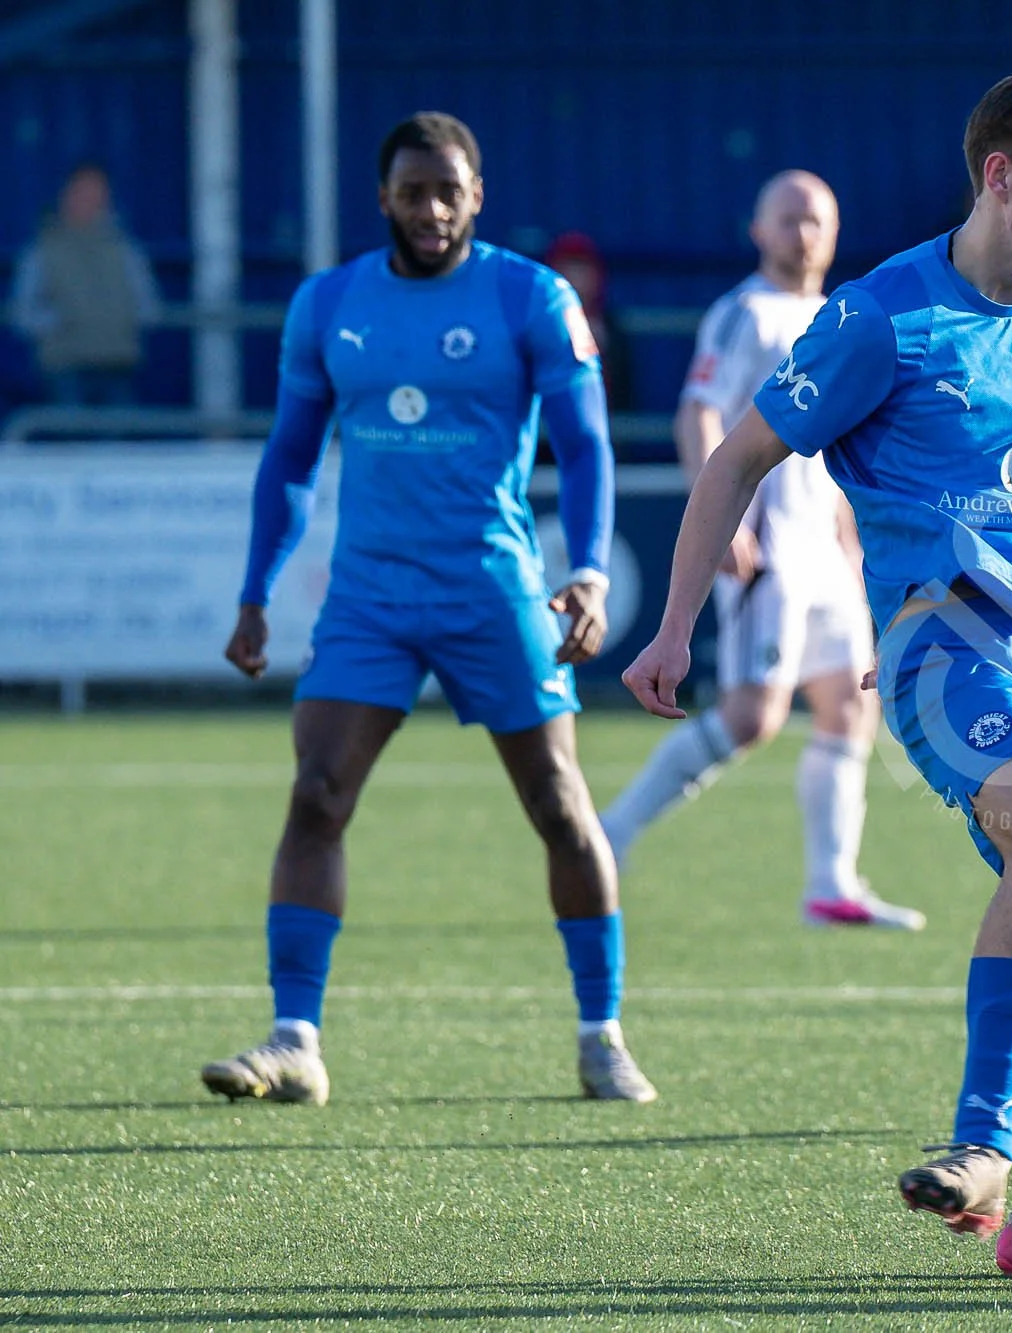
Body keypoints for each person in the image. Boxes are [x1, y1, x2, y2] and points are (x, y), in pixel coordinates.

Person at [621, 71, 1012, 1276]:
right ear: (998, 172)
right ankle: (981, 1146)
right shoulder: (879, 317)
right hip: (942, 648)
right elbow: (737, 458)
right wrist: (674, 627)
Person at [202, 112, 656, 1106]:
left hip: (490, 589)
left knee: (558, 807)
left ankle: (600, 1033)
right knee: (316, 795)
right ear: (384, 198)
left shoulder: (528, 296)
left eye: (448, 191)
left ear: (476, 195)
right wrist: (254, 591)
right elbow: (287, 458)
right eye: (413, 193)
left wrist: (587, 571)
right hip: (369, 594)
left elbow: (583, 446)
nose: (431, 210)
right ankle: (293, 1038)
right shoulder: (327, 305)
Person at [597, 171, 924, 931]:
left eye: (817, 220)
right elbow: (698, 415)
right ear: (758, 229)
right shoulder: (743, 313)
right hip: (770, 547)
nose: (803, 233)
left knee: (850, 707)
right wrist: (723, 524)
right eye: (789, 218)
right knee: (752, 717)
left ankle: (830, 884)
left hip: (824, 548)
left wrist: (849, 541)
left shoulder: (840, 315)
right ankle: (611, 832)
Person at [8, 163, 160, 407]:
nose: (90, 201)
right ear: (66, 196)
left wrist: (117, 321)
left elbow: (148, 306)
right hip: (65, 369)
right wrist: (64, 322)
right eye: (83, 192)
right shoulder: (42, 251)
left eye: (98, 194)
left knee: (117, 439)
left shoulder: (125, 251)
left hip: (118, 365)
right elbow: (23, 311)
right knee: (72, 439)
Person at [544, 232, 636, 412]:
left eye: (582, 268)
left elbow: (625, 392)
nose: (575, 278)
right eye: (568, 267)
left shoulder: (612, 327)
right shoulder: (537, 324)